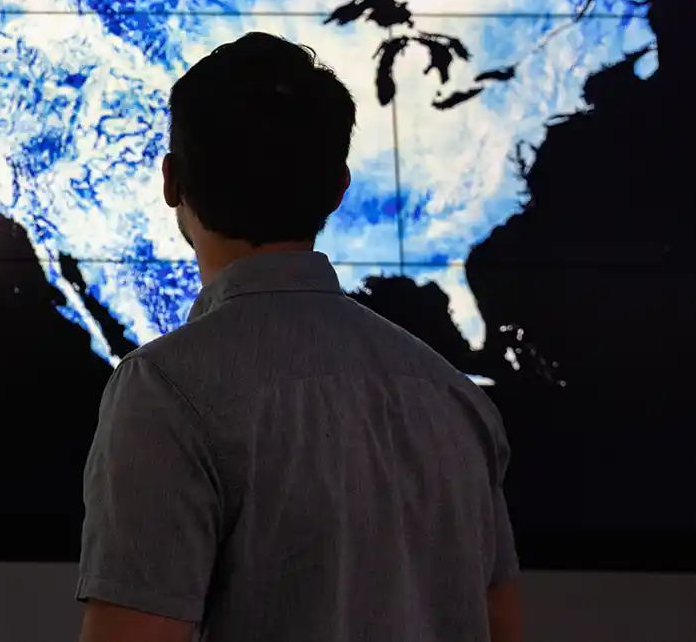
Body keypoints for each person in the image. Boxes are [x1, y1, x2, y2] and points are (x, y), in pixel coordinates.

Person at [75, 32, 523, 642]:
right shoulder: (456, 398)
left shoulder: (165, 392)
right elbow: (501, 626)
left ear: (171, 181)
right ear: (338, 189)